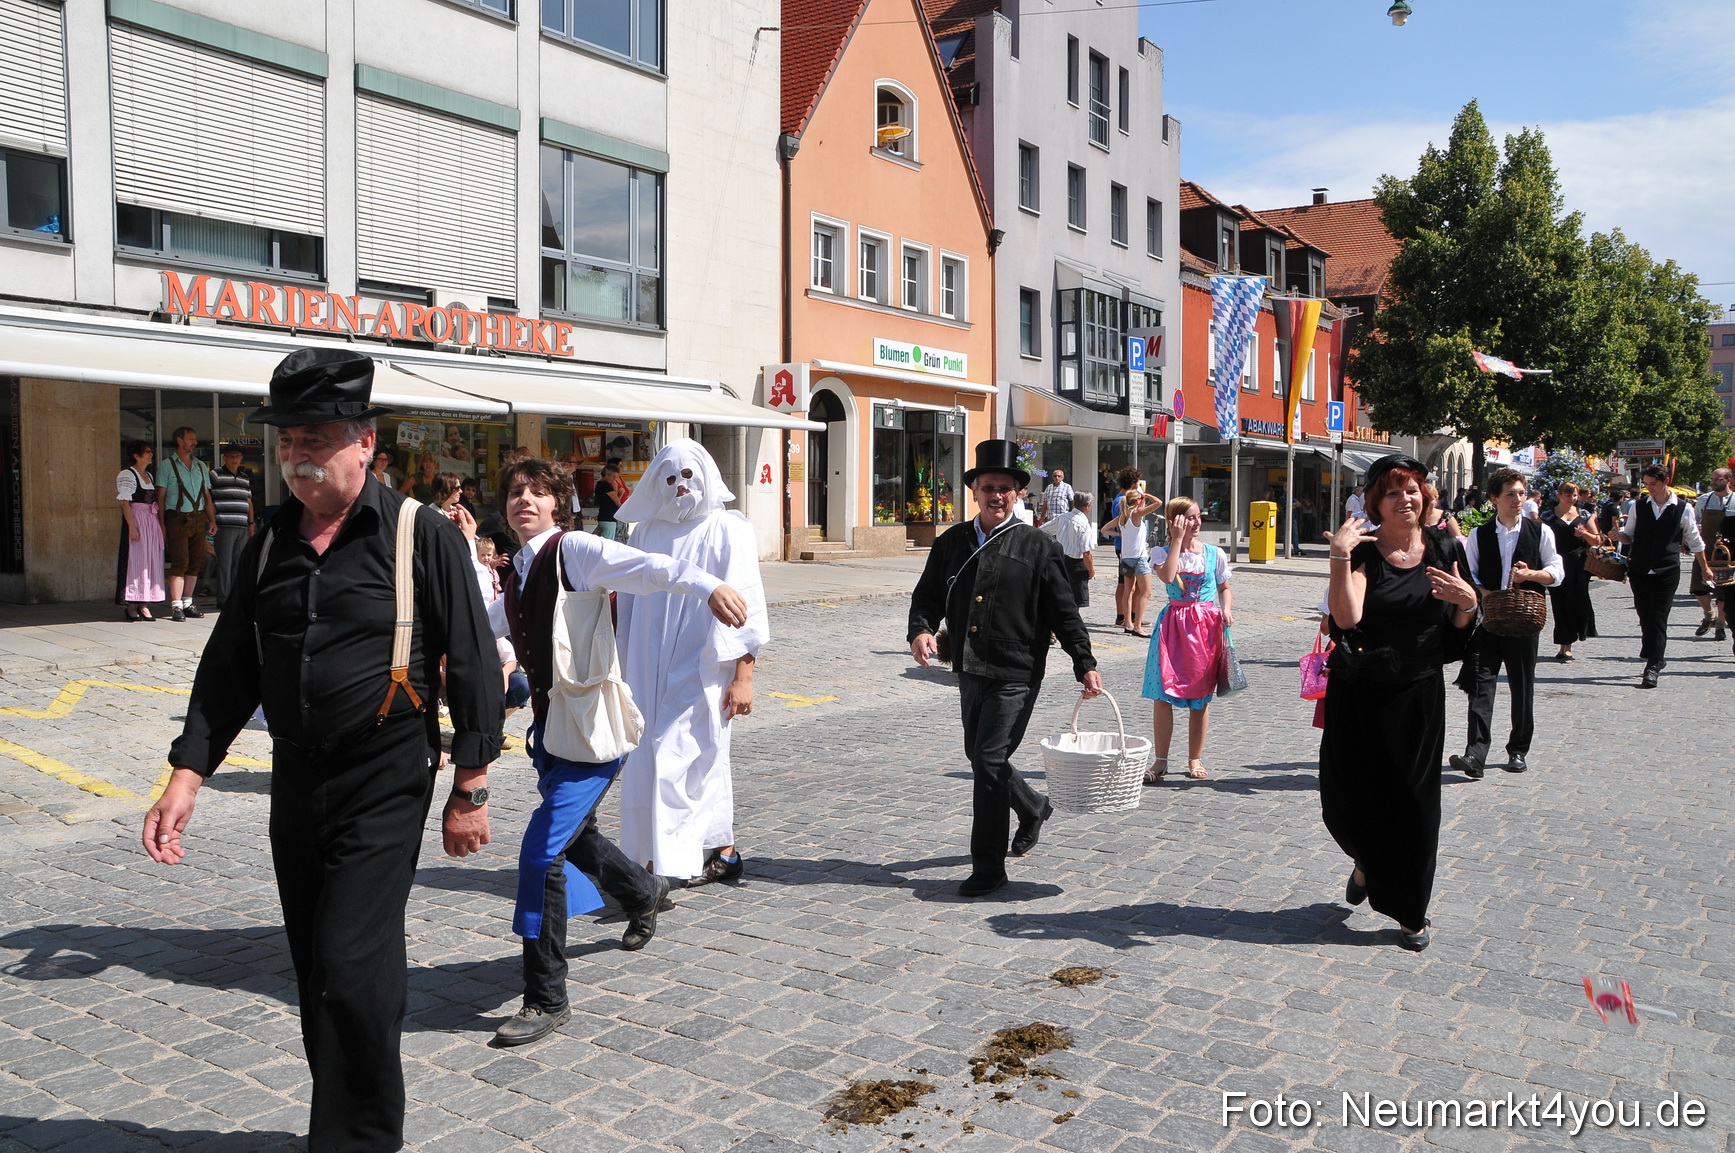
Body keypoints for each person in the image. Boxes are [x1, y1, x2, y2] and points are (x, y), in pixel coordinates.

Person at [144, 348, 503, 1152]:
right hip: (297, 775)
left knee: (349, 961)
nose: (297, 455)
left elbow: (475, 663)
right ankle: (344, 1120)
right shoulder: (270, 539)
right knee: (319, 965)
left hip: (386, 770)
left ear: (364, 441)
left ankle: (358, 1141)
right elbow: (230, 665)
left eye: (314, 438)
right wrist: (187, 772)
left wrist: (471, 784)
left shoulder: (419, 533)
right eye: (286, 440)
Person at [473, 457, 749, 1048]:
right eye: (515, 492)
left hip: (592, 735)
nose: (525, 500)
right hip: (555, 735)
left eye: (538, 491)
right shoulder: (518, 570)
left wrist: (709, 586)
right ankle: (643, 893)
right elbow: (487, 622)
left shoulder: (573, 550)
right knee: (578, 839)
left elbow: (646, 567)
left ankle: (545, 996)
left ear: (558, 503)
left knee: (541, 854)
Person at [908, 440, 1102, 898]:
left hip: (1017, 670)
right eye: (988, 487)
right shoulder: (951, 542)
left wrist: (1084, 662)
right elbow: (928, 595)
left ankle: (988, 866)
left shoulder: (1039, 546)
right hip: (969, 667)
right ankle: (1032, 807)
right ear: (974, 491)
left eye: (1005, 489)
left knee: (989, 759)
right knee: (979, 755)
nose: (996, 495)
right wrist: (921, 629)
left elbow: (1063, 612)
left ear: (1018, 495)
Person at [1320, 454, 1478, 952]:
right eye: (1393, 491)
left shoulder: (1445, 546)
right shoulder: (1364, 552)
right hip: (1360, 693)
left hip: (1418, 693)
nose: (1405, 499)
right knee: (1349, 798)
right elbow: (1347, 618)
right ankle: (1367, 862)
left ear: (1425, 496)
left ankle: (1411, 912)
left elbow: (1461, 618)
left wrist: (1468, 602)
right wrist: (1339, 557)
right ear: (1375, 502)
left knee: (1415, 806)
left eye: (1412, 489)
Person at [614, 440, 769, 888]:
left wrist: (743, 675)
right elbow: (628, 605)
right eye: (669, 478)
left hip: (703, 662)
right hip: (646, 665)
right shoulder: (645, 533)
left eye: (688, 476)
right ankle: (712, 851)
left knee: (682, 754)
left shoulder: (728, 528)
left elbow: (747, 604)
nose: (680, 486)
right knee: (655, 757)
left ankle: (668, 864)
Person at [1450, 469, 1562, 779]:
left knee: (1522, 686)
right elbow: (1470, 574)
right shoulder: (1479, 534)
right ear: (1495, 498)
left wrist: (1531, 575)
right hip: (1489, 621)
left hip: (1524, 621)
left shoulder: (1541, 531)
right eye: (1511, 494)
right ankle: (1475, 754)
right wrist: (1484, 593)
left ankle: (1518, 750)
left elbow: (1556, 571)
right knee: (1480, 684)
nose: (1518, 499)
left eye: (1521, 493)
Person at [1141, 496, 1233, 783]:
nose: (1196, 522)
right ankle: (1161, 760)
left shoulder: (1214, 553)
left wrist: (1226, 609)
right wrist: (1177, 540)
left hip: (1204, 629)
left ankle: (1195, 757)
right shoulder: (1162, 552)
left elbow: (1224, 587)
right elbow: (1169, 577)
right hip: (1173, 627)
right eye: (1190, 517)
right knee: (1162, 695)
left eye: (1197, 516)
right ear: (1175, 522)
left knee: (1200, 697)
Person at [1615, 463, 1712, 688]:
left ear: (1666, 482)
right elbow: (1629, 535)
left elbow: (1695, 540)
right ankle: (1655, 653)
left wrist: (1705, 567)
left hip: (1667, 569)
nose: (1649, 488)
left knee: (1658, 615)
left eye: (1653, 484)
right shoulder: (1639, 506)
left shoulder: (1682, 508)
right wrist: (1619, 536)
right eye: (1646, 484)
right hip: (1640, 569)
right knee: (1644, 613)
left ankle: (1653, 663)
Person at [157, 424, 214, 622]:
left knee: (195, 562)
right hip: (176, 518)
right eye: (191, 439)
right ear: (179, 441)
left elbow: (206, 495)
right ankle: (176, 605)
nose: (194, 442)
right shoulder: (166, 466)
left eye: (194, 439)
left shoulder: (200, 466)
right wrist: (162, 523)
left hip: (198, 517)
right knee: (180, 562)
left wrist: (212, 519)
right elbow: (160, 497)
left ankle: (188, 602)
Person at [1542, 481, 1600, 662]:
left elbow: (1597, 540)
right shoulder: (1548, 515)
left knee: (1575, 602)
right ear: (1559, 495)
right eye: (1568, 495)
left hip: (1577, 564)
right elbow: (1539, 539)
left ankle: (1569, 644)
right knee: (1559, 603)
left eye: (1574, 495)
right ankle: (1564, 643)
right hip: (1555, 563)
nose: (1572, 498)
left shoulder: (1583, 514)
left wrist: (1584, 535)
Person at [1105, 474, 1160, 637]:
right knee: (1146, 592)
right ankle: (1137, 625)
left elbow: (1104, 529)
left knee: (1128, 591)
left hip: (1126, 557)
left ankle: (1128, 623)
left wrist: (1119, 534)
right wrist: (1146, 494)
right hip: (1139, 557)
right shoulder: (1137, 513)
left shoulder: (1123, 515)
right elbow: (1158, 503)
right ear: (1137, 501)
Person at [115, 441, 163, 622]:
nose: (151, 455)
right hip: (137, 519)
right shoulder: (127, 474)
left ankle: (144, 603)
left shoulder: (148, 475)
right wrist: (132, 526)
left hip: (150, 520)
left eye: (150, 451)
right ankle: (131, 604)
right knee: (135, 560)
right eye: (147, 452)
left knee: (149, 560)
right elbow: (125, 502)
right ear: (136, 455)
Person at [208, 445, 255, 610]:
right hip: (224, 524)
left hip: (242, 525)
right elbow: (208, 499)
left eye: (237, 456)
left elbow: (249, 502)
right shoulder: (215, 474)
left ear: (241, 458)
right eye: (231, 456)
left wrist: (251, 523)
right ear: (224, 457)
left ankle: (235, 598)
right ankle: (223, 598)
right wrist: (212, 520)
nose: (234, 459)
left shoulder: (244, 477)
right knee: (225, 563)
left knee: (238, 563)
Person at [1691, 469, 1733, 641]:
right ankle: (1709, 615)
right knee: (1698, 588)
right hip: (1706, 549)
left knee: (1725, 591)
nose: (1713, 482)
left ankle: (1720, 625)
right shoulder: (1704, 500)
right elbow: (1695, 522)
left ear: (1728, 480)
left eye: (1718, 479)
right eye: (1712, 479)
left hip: (1728, 553)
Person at [1040, 492, 1096, 610]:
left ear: (1074, 503)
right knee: (1075, 601)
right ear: (1088, 506)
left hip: (1061, 561)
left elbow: (1042, 530)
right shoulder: (1083, 524)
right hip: (1076, 565)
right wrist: (1091, 570)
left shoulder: (1062, 518)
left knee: (1061, 596)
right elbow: (1087, 553)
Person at [594, 461, 629, 540]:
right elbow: (617, 502)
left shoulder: (600, 484)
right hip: (608, 518)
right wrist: (616, 489)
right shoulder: (605, 485)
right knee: (607, 542)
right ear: (607, 475)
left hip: (605, 517)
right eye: (613, 476)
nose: (614, 479)